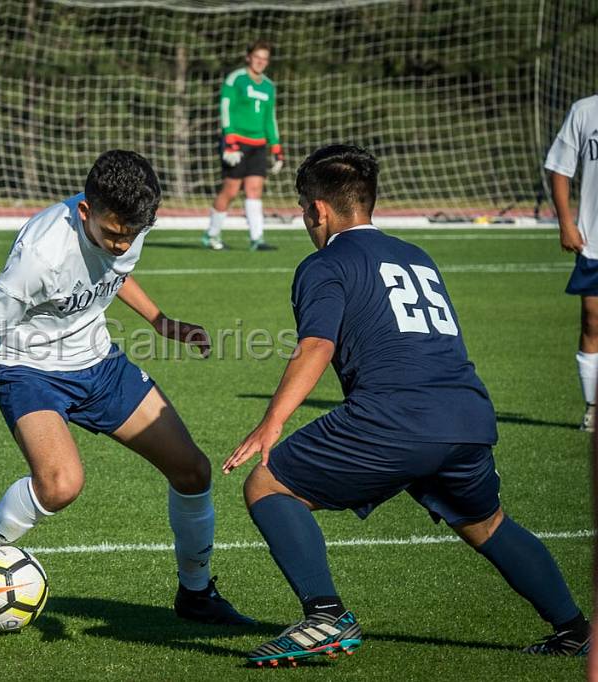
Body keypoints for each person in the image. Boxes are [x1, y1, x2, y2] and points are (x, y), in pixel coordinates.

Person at [221, 144, 591, 666]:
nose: (305, 219)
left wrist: (270, 423)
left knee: (268, 483)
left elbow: (316, 345)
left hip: (397, 419)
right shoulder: (416, 255)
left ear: (319, 210)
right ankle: (576, 630)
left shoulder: (324, 263)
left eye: (305, 207)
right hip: (467, 416)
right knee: (488, 524)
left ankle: (325, 615)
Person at [0, 150, 252, 626]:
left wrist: (160, 320)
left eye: (130, 235)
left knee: (193, 471)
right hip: (26, 368)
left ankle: (195, 593)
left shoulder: (131, 220)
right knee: (61, 484)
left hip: (98, 362)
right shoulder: (40, 256)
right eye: (112, 233)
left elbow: (115, 273)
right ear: (85, 212)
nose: (120, 244)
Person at [544, 94, 598, 431]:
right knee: (593, 323)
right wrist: (566, 222)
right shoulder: (585, 110)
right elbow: (560, 169)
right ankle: (593, 408)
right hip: (595, 242)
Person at [203, 39, 283, 252]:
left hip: (258, 145)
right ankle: (211, 235)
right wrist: (229, 139)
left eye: (264, 59)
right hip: (236, 142)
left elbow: (270, 118)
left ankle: (257, 239)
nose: (260, 62)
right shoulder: (236, 79)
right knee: (231, 189)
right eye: (257, 57)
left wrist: (276, 146)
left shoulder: (268, 86)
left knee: (255, 189)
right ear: (249, 57)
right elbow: (225, 107)